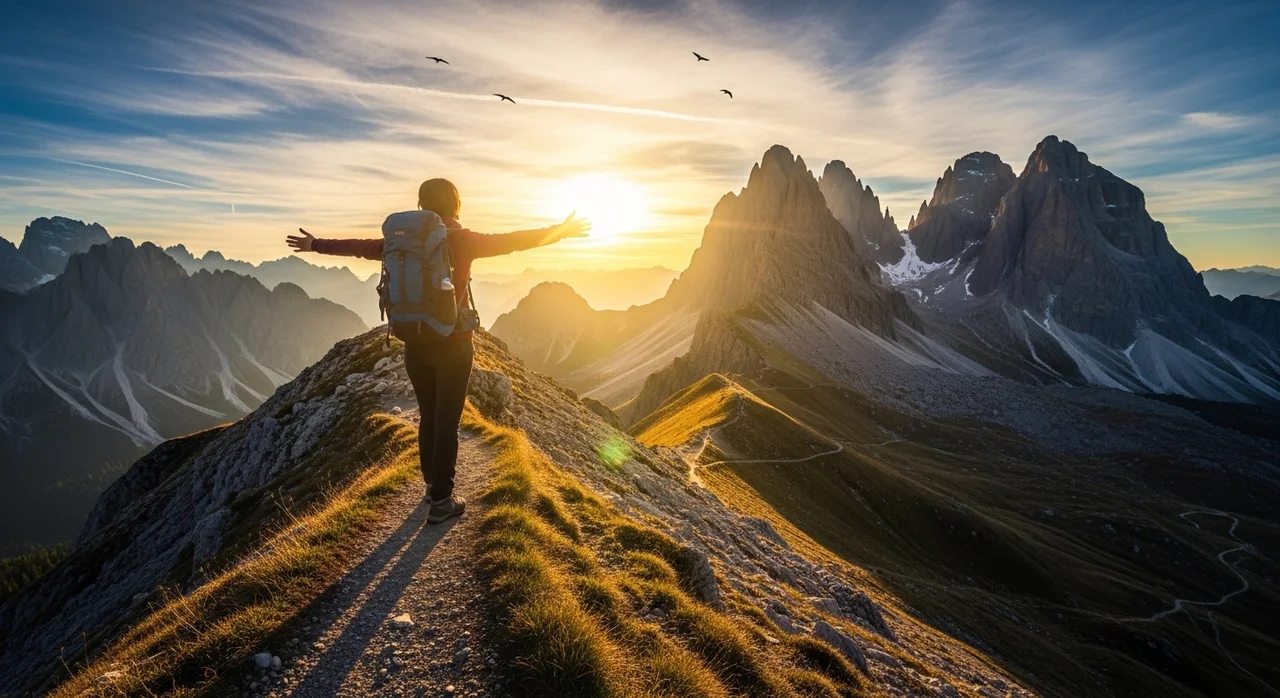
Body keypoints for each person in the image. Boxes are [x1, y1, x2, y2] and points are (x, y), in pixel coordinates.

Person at [286, 178, 590, 523]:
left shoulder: (399, 243)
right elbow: (513, 242)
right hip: (454, 344)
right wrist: (561, 231)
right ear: (455, 205)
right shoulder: (461, 240)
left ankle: (431, 487)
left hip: (414, 342)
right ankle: (443, 501)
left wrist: (316, 244)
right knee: (448, 421)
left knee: (428, 417)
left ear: (421, 206)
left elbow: (361, 247)